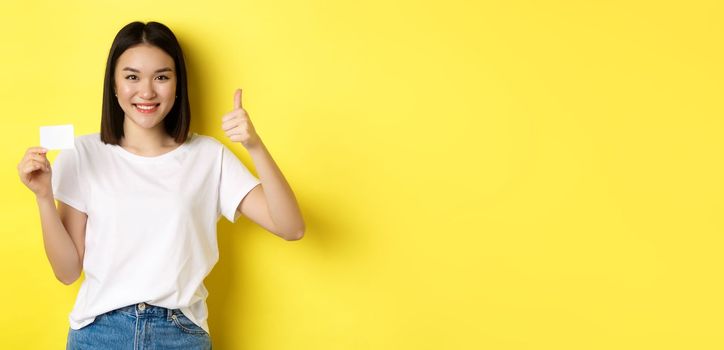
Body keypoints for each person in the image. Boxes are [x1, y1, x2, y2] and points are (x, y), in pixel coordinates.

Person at [16, 21, 305, 349]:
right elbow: (67, 272)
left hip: (180, 333)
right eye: (132, 76)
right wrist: (42, 197)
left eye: (162, 77)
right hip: (99, 334)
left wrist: (254, 145)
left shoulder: (208, 157)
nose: (147, 92)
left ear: (178, 84)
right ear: (113, 83)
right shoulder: (83, 153)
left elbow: (291, 227)